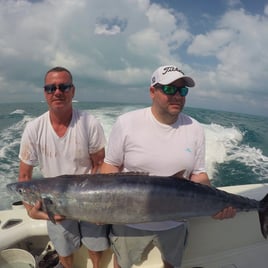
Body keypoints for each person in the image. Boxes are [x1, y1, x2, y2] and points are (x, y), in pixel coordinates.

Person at [100, 65, 236, 268]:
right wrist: (103, 208)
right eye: (170, 89)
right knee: (122, 262)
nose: (177, 96)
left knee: (171, 264)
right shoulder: (127, 123)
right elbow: (110, 167)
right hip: (129, 222)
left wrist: (217, 203)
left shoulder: (195, 128)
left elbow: (198, 175)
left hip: (175, 223)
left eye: (182, 90)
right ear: (152, 92)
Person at [18, 66, 109, 268]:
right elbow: (24, 176)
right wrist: (30, 211)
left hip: (89, 201)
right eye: (51, 88)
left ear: (72, 91)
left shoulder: (89, 123)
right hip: (55, 204)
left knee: (95, 246)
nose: (57, 92)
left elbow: (100, 165)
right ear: (45, 93)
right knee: (64, 250)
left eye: (63, 87)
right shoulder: (34, 129)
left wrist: (101, 207)